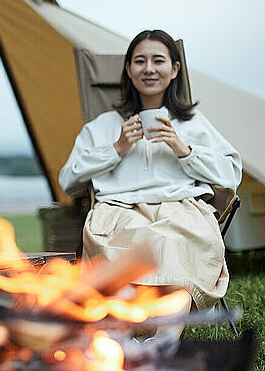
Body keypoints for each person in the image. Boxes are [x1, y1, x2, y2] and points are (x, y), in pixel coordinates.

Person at [59, 30, 242, 336]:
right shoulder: (103, 126)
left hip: (181, 211)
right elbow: (68, 180)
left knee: (170, 242)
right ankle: (132, 343)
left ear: (174, 69)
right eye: (140, 61)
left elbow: (231, 172)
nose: (149, 69)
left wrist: (185, 150)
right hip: (118, 211)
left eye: (158, 61)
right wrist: (116, 149)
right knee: (146, 244)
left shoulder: (193, 123)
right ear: (128, 69)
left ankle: (160, 342)